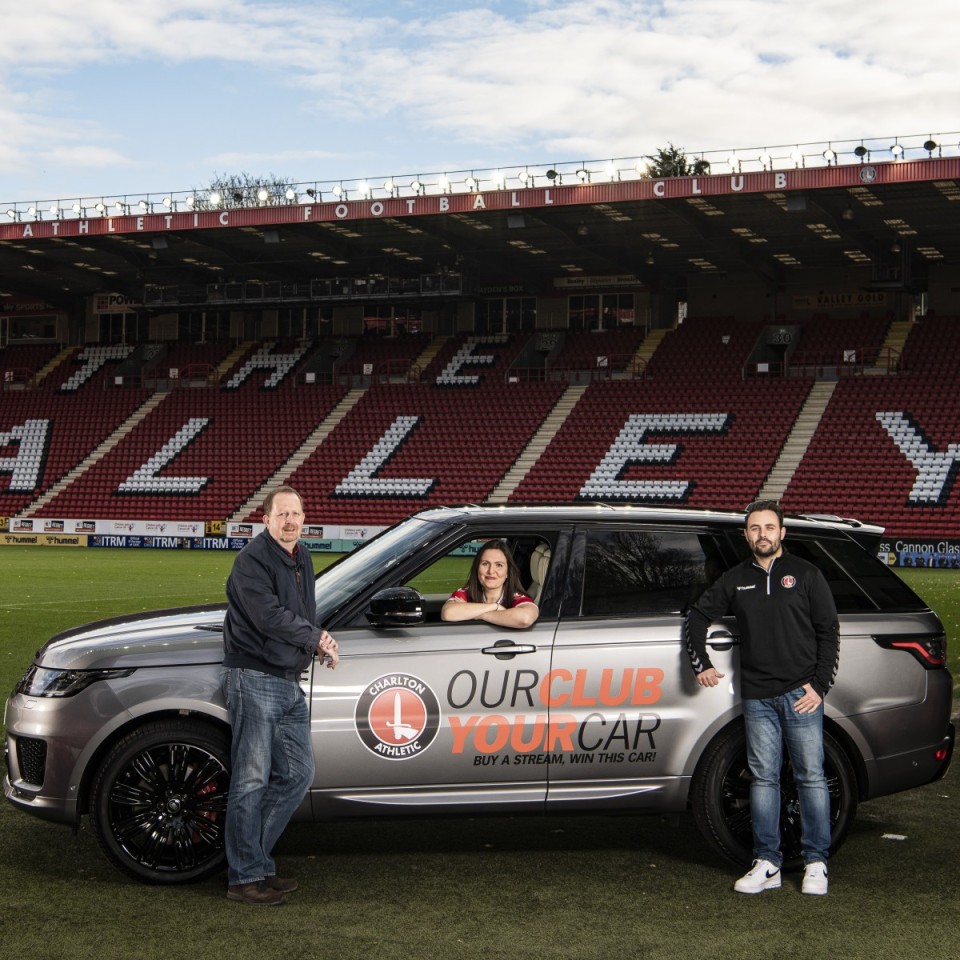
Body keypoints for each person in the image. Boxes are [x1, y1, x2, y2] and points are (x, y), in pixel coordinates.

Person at [685, 499, 839, 897]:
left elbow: (828, 631)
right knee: (764, 778)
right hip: (757, 698)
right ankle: (767, 862)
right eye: (755, 528)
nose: (762, 534)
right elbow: (697, 617)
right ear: (746, 535)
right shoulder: (736, 579)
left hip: (801, 694)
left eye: (769, 527)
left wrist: (819, 686)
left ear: (782, 532)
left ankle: (816, 862)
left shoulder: (806, 574)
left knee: (810, 777)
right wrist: (701, 663)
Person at [219, 486, 339, 905]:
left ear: (304, 519)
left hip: (287, 679)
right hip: (253, 676)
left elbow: (302, 614)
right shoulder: (251, 560)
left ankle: (253, 862)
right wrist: (315, 637)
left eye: (296, 514)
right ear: (266, 519)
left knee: (297, 774)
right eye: (282, 514)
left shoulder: (302, 556)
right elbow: (268, 617)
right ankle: (244, 878)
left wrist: (312, 645)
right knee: (251, 780)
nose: (290, 521)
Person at [441, 539, 539, 628]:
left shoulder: (516, 597)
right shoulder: (466, 592)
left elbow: (525, 619)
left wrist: (477, 614)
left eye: (499, 565)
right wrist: (495, 607)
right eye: (485, 564)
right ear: (477, 568)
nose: (491, 571)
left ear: (507, 573)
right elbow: (448, 613)